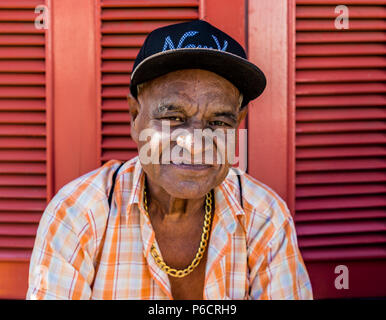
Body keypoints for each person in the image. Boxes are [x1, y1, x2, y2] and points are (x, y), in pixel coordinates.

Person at [27, 20, 313, 300]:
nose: (194, 143)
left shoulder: (264, 218)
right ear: (134, 117)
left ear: (238, 124)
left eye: (218, 122)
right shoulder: (77, 216)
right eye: (173, 118)